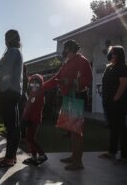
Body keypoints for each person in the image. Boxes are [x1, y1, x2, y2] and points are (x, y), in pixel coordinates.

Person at [43, 40, 92, 170]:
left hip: (76, 96)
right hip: (68, 97)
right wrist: (42, 87)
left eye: (64, 48)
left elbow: (88, 79)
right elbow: (56, 78)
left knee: (76, 130)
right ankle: (74, 156)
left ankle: (78, 162)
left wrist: (69, 81)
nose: (63, 51)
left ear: (69, 48)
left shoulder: (81, 60)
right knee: (71, 129)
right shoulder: (68, 62)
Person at [0, 29, 23, 168]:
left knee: (11, 127)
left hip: (8, 91)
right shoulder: (16, 51)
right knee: (13, 126)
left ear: (9, 39)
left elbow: (4, 71)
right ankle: (11, 156)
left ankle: (9, 158)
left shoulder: (12, 52)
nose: (4, 41)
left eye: (6, 38)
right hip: (14, 91)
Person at [99, 46, 127, 163]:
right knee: (113, 128)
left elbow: (123, 85)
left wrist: (115, 99)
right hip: (108, 102)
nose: (111, 55)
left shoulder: (123, 67)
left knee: (121, 128)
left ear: (119, 55)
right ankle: (112, 152)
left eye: (114, 53)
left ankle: (125, 157)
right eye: (110, 53)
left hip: (118, 102)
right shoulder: (110, 67)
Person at [22, 74, 48, 165]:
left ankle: (42, 155)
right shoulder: (33, 92)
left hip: (34, 119)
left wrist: (26, 117)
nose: (34, 84)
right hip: (29, 118)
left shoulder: (38, 93)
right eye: (32, 83)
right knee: (29, 138)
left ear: (40, 84)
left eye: (36, 83)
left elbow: (32, 108)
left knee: (30, 138)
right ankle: (33, 157)